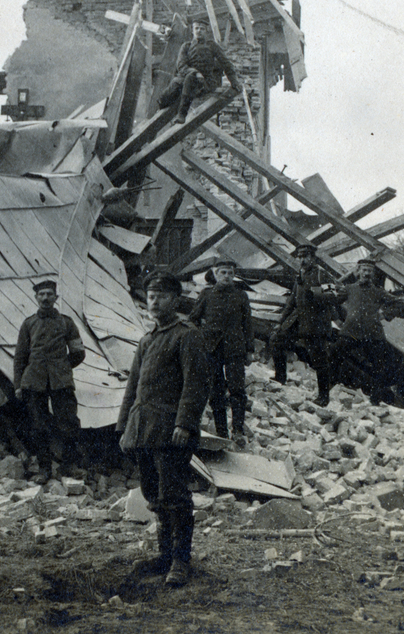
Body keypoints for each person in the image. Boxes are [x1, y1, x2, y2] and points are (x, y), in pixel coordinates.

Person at [118, 273, 209, 588]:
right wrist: (124, 428)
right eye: (151, 296)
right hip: (144, 430)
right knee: (153, 495)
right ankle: (164, 555)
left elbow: (196, 384)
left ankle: (181, 561)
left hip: (171, 432)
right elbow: (133, 387)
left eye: (161, 296)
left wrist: (185, 423)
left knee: (175, 495)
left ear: (176, 300)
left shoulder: (187, 336)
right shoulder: (148, 339)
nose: (154, 301)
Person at [14, 279, 86, 479]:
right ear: (36, 298)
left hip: (60, 381)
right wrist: (18, 385)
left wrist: (61, 367)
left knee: (69, 422)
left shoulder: (67, 322)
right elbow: (20, 356)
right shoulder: (28, 324)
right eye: (41, 294)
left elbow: (78, 352)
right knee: (38, 425)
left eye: (49, 294)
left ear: (56, 297)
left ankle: (69, 465)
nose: (45, 298)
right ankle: (44, 468)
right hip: (34, 381)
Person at [332, 258, 404, 401]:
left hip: (372, 334)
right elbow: (332, 302)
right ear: (358, 271)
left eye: (369, 271)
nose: (366, 273)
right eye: (364, 270)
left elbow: (398, 303)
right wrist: (336, 320)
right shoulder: (349, 289)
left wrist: (384, 315)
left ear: (372, 274)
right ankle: (334, 385)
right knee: (334, 353)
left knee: (380, 366)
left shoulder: (378, 292)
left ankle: (377, 398)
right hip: (351, 333)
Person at [188, 258, 254, 444]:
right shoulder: (206, 294)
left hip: (235, 349)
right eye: (223, 272)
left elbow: (248, 324)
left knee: (237, 389)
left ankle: (238, 430)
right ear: (216, 275)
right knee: (216, 391)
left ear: (234, 276)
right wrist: (199, 338)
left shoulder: (241, 295)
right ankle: (222, 432)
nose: (227, 276)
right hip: (211, 349)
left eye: (230, 273)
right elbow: (193, 319)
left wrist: (250, 350)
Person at [268, 243, 343, 406]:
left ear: (312, 258)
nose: (302, 260)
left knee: (319, 360)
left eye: (305, 256)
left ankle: (324, 397)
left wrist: (315, 295)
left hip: (316, 323)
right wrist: (280, 322)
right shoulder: (300, 275)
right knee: (276, 340)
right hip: (298, 320)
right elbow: (291, 301)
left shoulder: (321, 275)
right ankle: (280, 378)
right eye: (300, 257)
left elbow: (333, 296)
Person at [156, 19, 243, 119]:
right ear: (192, 31)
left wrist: (234, 81)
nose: (199, 31)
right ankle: (162, 104)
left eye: (202, 29)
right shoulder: (186, 47)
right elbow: (181, 66)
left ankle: (182, 114)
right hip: (187, 78)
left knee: (188, 80)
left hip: (205, 82)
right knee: (174, 85)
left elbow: (227, 64)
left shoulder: (212, 46)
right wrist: (195, 73)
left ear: (206, 31)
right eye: (196, 28)